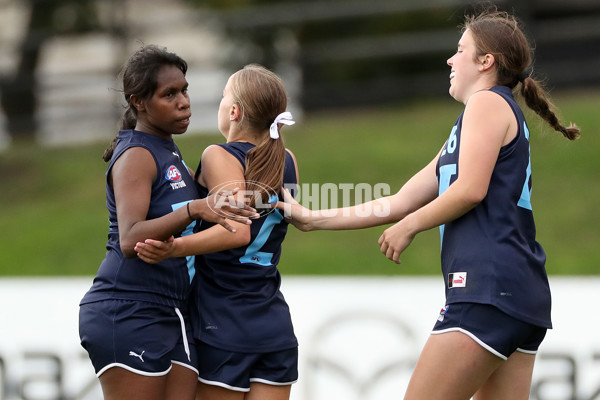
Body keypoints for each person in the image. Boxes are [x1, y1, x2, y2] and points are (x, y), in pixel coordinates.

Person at [275, 7, 580, 400]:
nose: (450, 59)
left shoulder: (486, 104)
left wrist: (411, 226)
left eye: (460, 50)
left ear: (486, 62)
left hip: (486, 289)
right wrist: (313, 218)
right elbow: (400, 199)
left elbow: (470, 190)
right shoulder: (474, 120)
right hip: (519, 294)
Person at [78, 45, 257, 400]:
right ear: (139, 102)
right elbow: (130, 240)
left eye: (184, 90)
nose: (183, 101)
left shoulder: (167, 150)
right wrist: (194, 209)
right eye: (169, 94)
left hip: (173, 309)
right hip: (127, 308)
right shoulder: (136, 155)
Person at [134, 64, 300, 400]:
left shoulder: (218, 154)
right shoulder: (288, 158)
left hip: (223, 320)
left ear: (235, 111)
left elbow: (236, 232)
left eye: (225, 96)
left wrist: (173, 248)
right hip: (273, 323)